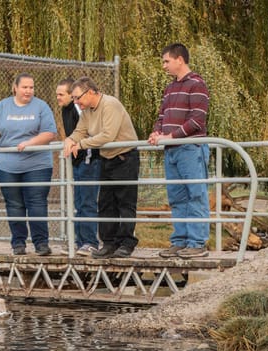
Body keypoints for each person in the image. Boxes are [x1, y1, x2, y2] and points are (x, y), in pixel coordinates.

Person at [0, 72, 57, 256]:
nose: (28, 91)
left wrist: (28, 144)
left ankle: (41, 244)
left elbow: (50, 133)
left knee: (37, 203)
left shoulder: (41, 107)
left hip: (37, 164)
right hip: (7, 166)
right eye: (24, 87)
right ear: (15, 88)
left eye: (31, 87)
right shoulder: (2, 106)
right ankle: (18, 243)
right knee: (14, 204)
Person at [63, 76, 139, 259]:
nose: (76, 102)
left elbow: (108, 135)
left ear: (90, 92)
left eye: (77, 97)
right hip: (106, 158)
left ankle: (126, 243)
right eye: (73, 98)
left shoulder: (109, 105)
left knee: (125, 203)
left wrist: (80, 145)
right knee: (105, 203)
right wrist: (70, 139)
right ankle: (109, 243)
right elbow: (80, 130)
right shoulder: (87, 111)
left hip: (124, 157)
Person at [147, 43, 210, 258]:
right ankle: (180, 241)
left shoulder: (197, 84)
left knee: (195, 194)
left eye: (166, 61)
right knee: (177, 197)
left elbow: (197, 120)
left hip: (190, 149)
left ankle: (197, 243)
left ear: (180, 60)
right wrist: (157, 133)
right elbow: (162, 116)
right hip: (171, 150)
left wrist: (170, 136)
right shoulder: (170, 88)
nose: (163, 66)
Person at [56, 78, 101, 257]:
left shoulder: (78, 107)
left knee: (87, 201)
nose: (58, 98)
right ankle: (80, 241)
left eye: (62, 94)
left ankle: (90, 241)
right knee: (78, 201)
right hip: (77, 161)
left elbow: (86, 130)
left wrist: (80, 146)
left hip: (88, 159)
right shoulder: (66, 109)